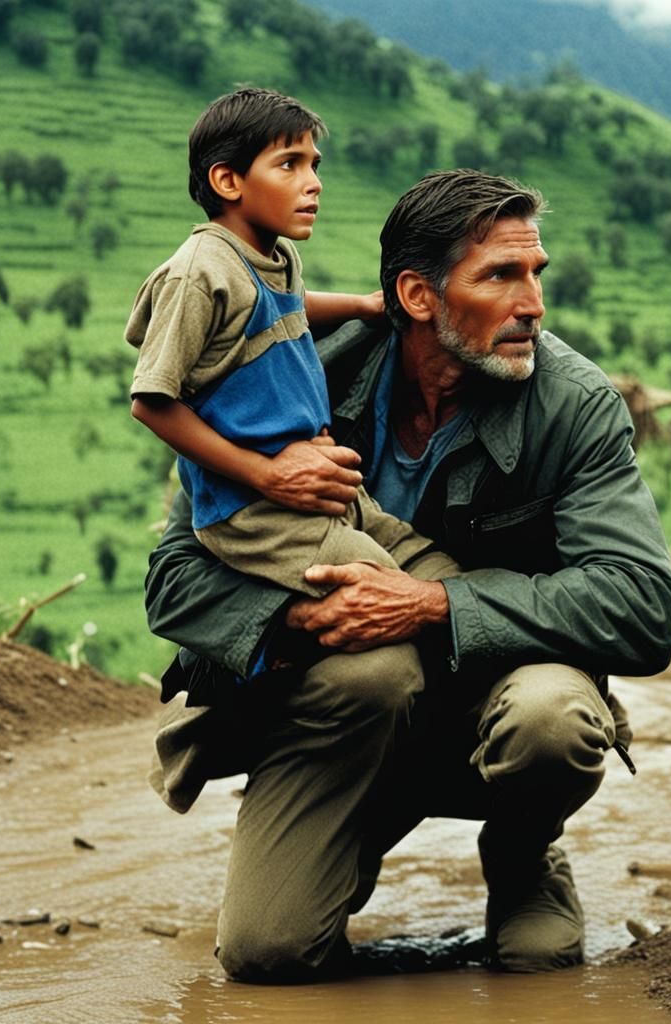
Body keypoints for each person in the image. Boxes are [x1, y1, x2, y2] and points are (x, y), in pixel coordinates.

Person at [144, 169, 671, 981]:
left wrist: (431, 604)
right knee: (268, 954)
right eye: (500, 276)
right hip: (348, 711)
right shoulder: (290, 378)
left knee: (553, 719)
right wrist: (295, 620)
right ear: (417, 296)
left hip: (492, 696)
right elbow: (175, 578)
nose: (533, 304)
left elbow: (643, 606)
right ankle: (341, 837)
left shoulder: (574, 406)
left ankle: (522, 850)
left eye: (536, 274)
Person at [126, 86, 450, 707]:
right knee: (387, 595)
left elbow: (286, 304)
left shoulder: (274, 255)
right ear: (227, 181)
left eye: (314, 165)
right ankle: (253, 684)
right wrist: (266, 475)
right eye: (289, 164)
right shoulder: (200, 272)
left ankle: (564, 686)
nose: (313, 183)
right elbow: (151, 400)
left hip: (324, 491)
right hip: (258, 510)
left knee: (440, 575)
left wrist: (360, 306)